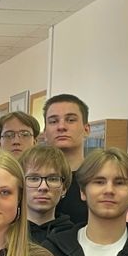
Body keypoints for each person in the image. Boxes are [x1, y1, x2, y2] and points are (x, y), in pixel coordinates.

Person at [43, 94, 91, 227]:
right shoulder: (32, 182)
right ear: (45, 133)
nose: (61, 127)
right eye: (53, 121)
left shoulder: (99, 178)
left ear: (86, 129)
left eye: (70, 120)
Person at [20, 144, 73, 244]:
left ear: (64, 188)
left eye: (52, 179)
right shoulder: (5, 235)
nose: (43, 187)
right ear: (20, 185)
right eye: (34, 178)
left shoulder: (75, 237)